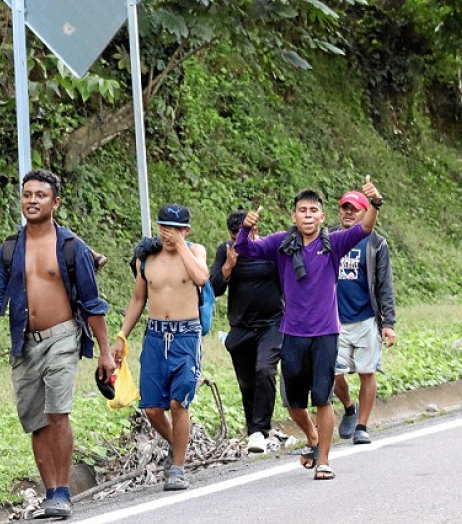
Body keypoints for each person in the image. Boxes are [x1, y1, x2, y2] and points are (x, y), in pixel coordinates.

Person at [0, 169, 114, 519]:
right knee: (35, 419)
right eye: (27, 194)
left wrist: (105, 353)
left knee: (57, 412)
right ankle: (51, 493)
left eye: (40, 195)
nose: (32, 200)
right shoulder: (9, 249)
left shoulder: (71, 248)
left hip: (62, 337)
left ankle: (63, 492)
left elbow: (93, 305)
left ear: (55, 202)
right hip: (24, 343)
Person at [235, 176, 383, 481]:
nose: (307, 215)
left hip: (326, 333)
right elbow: (245, 250)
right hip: (292, 333)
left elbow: (364, 228)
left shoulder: (334, 243)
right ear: (294, 216)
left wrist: (375, 203)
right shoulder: (280, 244)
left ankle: (325, 460)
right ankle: (313, 439)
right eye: (302, 210)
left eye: (313, 211)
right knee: (294, 403)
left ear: (322, 216)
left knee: (323, 399)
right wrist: (245, 228)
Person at [112, 203, 209, 491]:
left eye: (176, 229)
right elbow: (138, 300)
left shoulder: (195, 252)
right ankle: (177, 444)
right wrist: (122, 335)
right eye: (165, 227)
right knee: (153, 408)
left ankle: (177, 468)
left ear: (186, 230)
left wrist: (181, 245)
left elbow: (202, 277)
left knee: (179, 403)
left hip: (187, 337)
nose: (169, 234)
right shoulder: (146, 259)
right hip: (155, 336)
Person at [209, 210, 286, 454]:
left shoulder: (269, 248)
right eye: (235, 234)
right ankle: (254, 430)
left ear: (255, 229)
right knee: (247, 382)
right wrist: (228, 267)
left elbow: (287, 282)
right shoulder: (227, 250)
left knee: (265, 370)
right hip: (241, 327)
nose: (240, 238)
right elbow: (214, 288)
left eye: (245, 231)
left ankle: (260, 431)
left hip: (271, 324)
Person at [332, 191, 396, 445]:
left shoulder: (375, 243)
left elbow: (385, 286)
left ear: (364, 212)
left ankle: (362, 425)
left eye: (355, 209)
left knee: (367, 373)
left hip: (366, 318)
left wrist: (388, 323)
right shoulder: (329, 238)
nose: (349, 212)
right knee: (334, 374)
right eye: (344, 208)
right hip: (334, 320)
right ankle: (349, 407)